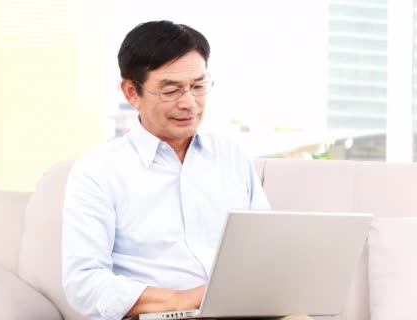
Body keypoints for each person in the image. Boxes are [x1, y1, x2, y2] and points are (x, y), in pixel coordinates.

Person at [61, 20, 312, 320]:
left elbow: (265, 249)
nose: (189, 103)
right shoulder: (97, 172)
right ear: (131, 92)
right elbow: (84, 283)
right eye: (171, 90)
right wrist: (185, 299)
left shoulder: (231, 156)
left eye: (198, 86)